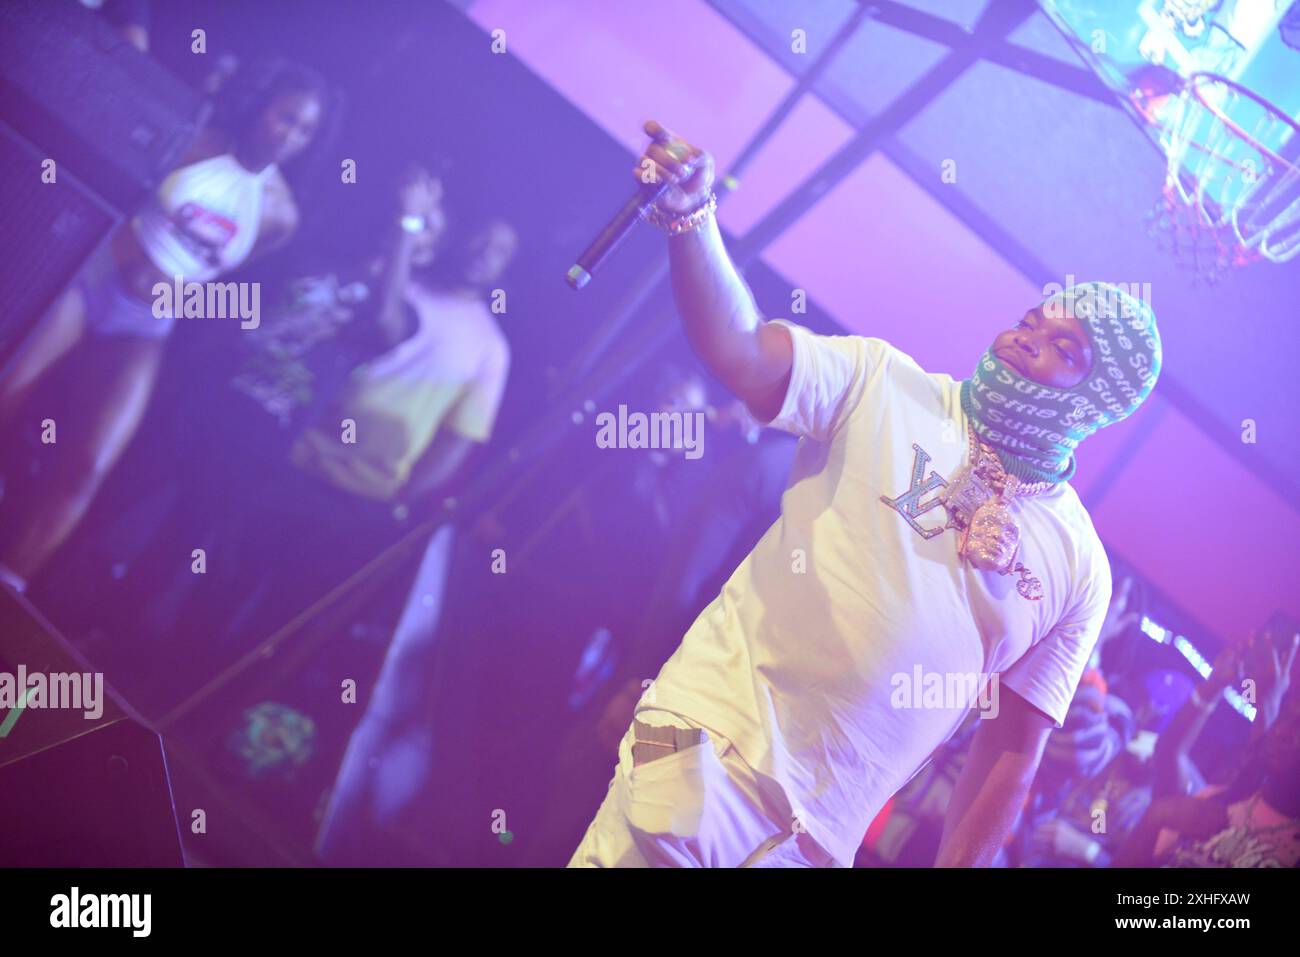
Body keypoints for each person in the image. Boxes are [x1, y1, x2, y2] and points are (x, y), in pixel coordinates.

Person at [568, 119, 1163, 868]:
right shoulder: (883, 381)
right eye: (1030, 320)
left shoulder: (1079, 566)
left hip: (817, 844)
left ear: (1098, 403)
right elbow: (743, 351)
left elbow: (1010, 752)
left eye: (1064, 347)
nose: (1026, 338)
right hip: (701, 747)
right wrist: (692, 219)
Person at [0, 58, 330, 597]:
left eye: (304, 129)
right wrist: (130, 256)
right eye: (285, 116)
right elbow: (114, 192)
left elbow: (216, 287)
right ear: (263, 107)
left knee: (88, 464)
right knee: (7, 389)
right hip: (95, 278)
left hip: (147, 324)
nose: (290, 134)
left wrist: (171, 294)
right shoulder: (195, 141)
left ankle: (8, 590)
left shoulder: (280, 215)